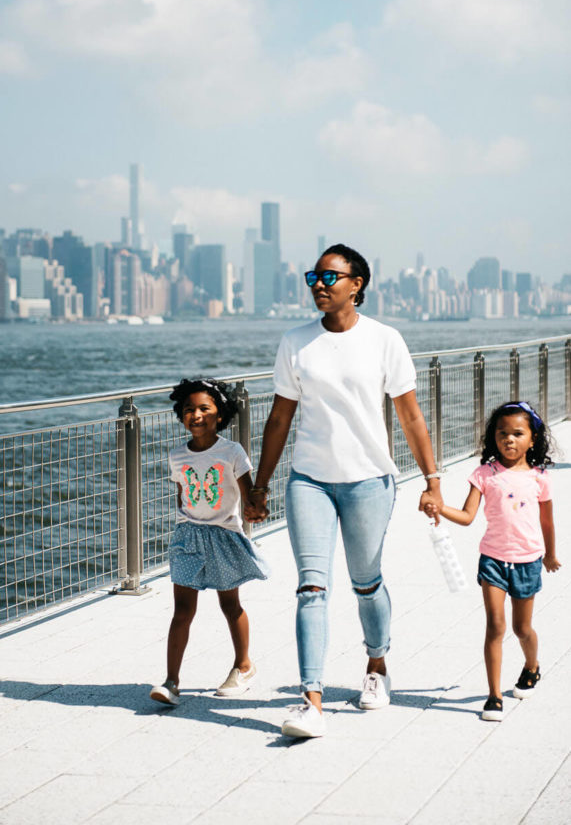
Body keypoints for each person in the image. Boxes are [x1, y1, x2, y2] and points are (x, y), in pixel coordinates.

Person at [250, 243, 443, 739]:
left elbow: (411, 415)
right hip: (309, 480)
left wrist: (432, 481)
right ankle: (310, 699)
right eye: (313, 275)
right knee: (311, 587)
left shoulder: (385, 340)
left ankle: (377, 667)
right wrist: (261, 485)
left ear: (357, 284)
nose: (319, 283)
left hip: (369, 482)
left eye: (330, 276)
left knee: (365, 582)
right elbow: (278, 418)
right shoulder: (295, 342)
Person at [425, 401, 561, 722]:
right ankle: (494, 695)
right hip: (493, 561)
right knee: (496, 626)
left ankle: (531, 666)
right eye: (502, 433)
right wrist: (439, 508)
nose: (509, 439)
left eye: (517, 433)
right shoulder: (484, 474)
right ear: (493, 437)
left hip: (527, 561)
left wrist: (551, 554)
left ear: (532, 439)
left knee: (522, 628)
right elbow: (468, 516)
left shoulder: (540, 478)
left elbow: (548, 522)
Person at [149, 377, 269, 707]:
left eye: (205, 408)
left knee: (230, 605)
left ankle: (243, 665)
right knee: (182, 611)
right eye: (188, 409)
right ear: (180, 415)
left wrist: (255, 509)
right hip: (188, 537)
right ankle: (171, 681)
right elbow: (182, 495)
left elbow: (248, 494)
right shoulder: (177, 456)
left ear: (220, 414)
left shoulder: (232, 451)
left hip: (223, 536)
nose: (196, 414)